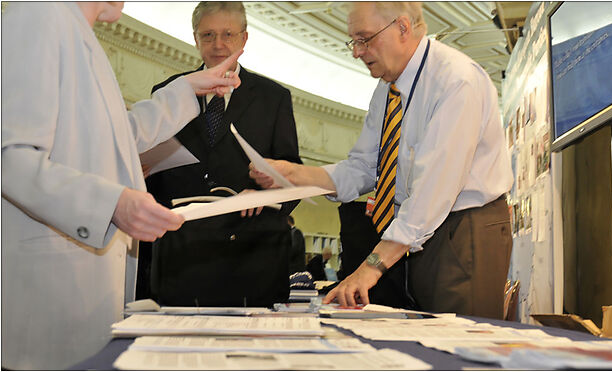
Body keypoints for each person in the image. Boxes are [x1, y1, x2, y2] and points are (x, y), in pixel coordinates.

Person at [1, 2, 241, 369]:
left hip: (81, 288)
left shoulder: (77, 32)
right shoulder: (38, 14)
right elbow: (10, 156)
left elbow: (114, 135)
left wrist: (185, 90)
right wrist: (110, 204)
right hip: (51, 292)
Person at [250, 1, 513, 319]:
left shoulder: (456, 80)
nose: (356, 52)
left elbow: (432, 193)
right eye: (353, 41)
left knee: (460, 350)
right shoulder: (388, 89)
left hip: (462, 230)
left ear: (402, 27)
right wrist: (294, 174)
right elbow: (363, 167)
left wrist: (369, 269)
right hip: (415, 234)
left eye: (364, 38)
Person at [143, 1, 302, 308]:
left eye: (228, 34)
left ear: (244, 39)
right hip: (180, 255)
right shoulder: (169, 90)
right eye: (208, 35)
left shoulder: (274, 98)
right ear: (195, 38)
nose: (218, 44)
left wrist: (262, 192)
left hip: (250, 257)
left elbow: (293, 172)